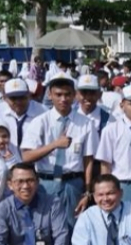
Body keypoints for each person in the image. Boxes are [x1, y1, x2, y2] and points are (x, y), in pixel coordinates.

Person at [20, 73, 97, 225]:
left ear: (74, 95)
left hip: (72, 182)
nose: (63, 99)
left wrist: (87, 191)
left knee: (72, 226)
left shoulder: (86, 123)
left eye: (67, 94)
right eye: (58, 94)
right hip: (46, 182)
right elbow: (26, 157)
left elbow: (88, 159)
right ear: (50, 95)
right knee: (44, 226)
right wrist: (54, 145)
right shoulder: (40, 121)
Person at [1, 78, 45, 149]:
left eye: (22, 97)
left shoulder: (42, 112)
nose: (18, 102)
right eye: (13, 98)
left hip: (35, 154)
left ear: (29, 95)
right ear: (4, 98)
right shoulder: (1, 111)